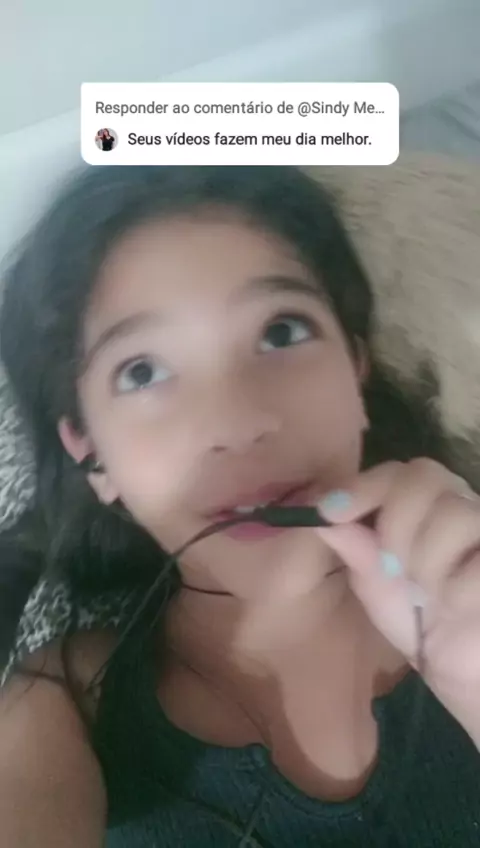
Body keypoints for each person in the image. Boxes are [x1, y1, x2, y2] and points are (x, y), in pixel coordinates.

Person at [0, 165, 480, 848]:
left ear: (356, 368)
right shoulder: (60, 700)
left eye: (282, 331)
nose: (239, 423)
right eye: (142, 372)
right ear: (92, 455)